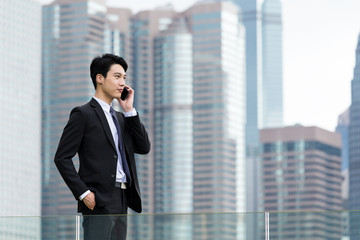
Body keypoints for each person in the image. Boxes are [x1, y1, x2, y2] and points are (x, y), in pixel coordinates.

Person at [54, 53, 150, 240]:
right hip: (97, 199)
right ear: (100, 78)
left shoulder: (122, 118)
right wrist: (83, 193)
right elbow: (62, 157)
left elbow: (144, 147)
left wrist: (129, 111)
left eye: (124, 78)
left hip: (122, 198)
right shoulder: (83, 114)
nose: (122, 82)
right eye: (116, 76)